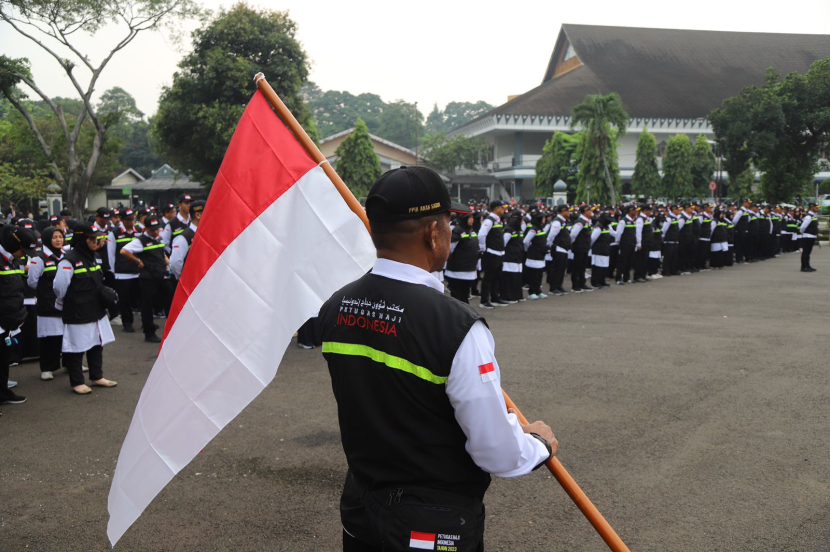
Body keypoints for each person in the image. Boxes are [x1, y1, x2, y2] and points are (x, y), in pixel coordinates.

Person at [318, 166, 556, 552]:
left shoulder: (337, 305)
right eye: (449, 224)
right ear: (433, 233)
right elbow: (497, 452)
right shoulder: (456, 326)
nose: (450, 233)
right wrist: (537, 445)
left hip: (363, 504)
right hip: (430, 522)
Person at [53, 223, 118, 395]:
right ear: (82, 239)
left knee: (97, 343)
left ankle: (97, 376)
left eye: (96, 238)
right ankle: (77, 382)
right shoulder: (69, 260)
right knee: (76, 347)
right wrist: (62, 302)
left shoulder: (93, 256)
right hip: (78, 310)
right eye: (91, 238)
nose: (95, 241)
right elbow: (60, 286)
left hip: (96, 308)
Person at [119, 216, 172, 343]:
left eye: (157, 229)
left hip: (162, 275)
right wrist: (138, 260)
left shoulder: (159, 238)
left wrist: (167, 261)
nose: (155, 232)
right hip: (148, 277)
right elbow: (124, 251)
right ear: (146, 228)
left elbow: (162, 252)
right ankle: (149, 332)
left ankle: (172, 330)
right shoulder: (140, 240)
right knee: (147, 305)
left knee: (170, 301)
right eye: (152, 230)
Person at [0, 226, 37, 406]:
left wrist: (17, 317)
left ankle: (3, 393)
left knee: (4, 359)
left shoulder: (10, 259)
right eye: (22, 250)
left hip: (9, 320)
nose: (24, 254)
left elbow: (14, 291)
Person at [27, 227, 66, 380]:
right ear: (47, 239)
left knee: (67, 336)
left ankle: (70, 364)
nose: (58, 240)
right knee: (49, 338)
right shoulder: (39, 259)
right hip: (47, 305)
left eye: (60, 237)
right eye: (55, 237)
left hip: (65, 302)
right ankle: (47, 368)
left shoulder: (66, 256)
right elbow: (32, 282)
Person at [108, 208, 142, 333]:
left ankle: (145, 321)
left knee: (141, 298)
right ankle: (127, 323)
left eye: (133, 219)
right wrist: (114, 270)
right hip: (122, 273)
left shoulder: (138, 231)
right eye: (128, 220)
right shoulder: (115, 232)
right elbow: (111, 253)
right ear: (121, 219)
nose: (131, 222)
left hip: (137, 270)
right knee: (125, 300)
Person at [477, 200, 509, 308]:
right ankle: (484, 300)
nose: (504, 209)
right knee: (488, 278)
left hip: (499, 252)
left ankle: (495, 298)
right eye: (502, 207)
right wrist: (483, 248)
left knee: (497, 277)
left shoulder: (498, 220)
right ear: (496, 208)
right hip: (491, 253)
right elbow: (481, 235)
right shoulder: (489, 220)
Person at [445, 213, 479, 304]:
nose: (472, 220)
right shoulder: (457, 230)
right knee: (457, 296)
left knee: (465, 294)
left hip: (469, 269)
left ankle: (465, 315)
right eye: (469, 218)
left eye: (472, 218)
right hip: (457, 270)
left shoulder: (471, 230)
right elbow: (450, 248)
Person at [546, 205, 571, 296]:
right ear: (562, 211)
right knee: (557, 269)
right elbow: (551, 235)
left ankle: (559, 286)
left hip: (563, 248)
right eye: (567, 211)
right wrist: (550, 244)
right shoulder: (557, 222)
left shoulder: (563, 221)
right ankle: (553, 287)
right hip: (558, 248)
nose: (569, 213)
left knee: (561, 269)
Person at [569, 205, 594, 292]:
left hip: (584, 247)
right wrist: (573, 244)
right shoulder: (580, 222)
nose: (591, 211)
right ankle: (575, 285)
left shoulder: (587, 221)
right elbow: (573, 235)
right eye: (589, 210)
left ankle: (582, 283)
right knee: (577, 266)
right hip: (579, 247)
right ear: (585, 212)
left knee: (583, 266)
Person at [799, 203, 820, 272]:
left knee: (808, 252)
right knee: (805, 252)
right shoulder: (809, 216)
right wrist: (803, 233)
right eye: (816, 207)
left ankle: (807, 265)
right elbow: (803, 227)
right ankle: (804, 267)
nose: (817, 209)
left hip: (812, 236)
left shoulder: (813, 216)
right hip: (807, 236)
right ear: (812, 207)